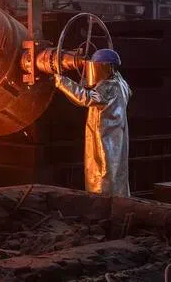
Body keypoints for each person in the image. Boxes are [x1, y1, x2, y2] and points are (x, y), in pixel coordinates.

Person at [54, 48, 131, 197]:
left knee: (102, 176)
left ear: (106, 67)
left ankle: (103, 209)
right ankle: (120, 206)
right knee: (117, 175)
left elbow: (87, 98)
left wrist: (62, 82)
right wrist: (87, 82)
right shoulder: (120, 83)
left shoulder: (108, 86)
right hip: (117, 137)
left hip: (104, 139)